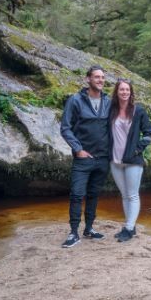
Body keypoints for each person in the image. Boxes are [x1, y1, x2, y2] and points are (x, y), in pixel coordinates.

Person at [60, 65, 112, 248]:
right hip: (83, 159)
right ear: (88, 79)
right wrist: (78, 149)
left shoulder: (108, 101)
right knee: (76, 194)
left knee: (93, 195)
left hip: (103, 158)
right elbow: (65, 128)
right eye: (97, 77)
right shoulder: (75, 100)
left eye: (103, 77)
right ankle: (73, 233)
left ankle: (89, 228)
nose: (100, 80)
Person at [108, 78, 151, 242]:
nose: (124, 92)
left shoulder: (138, 111)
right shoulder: (111, 110)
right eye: (121, 89)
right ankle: (130, 226)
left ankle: (128, 228)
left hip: (133, 161)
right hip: (115, 160)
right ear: (117, 92)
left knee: (133, 195)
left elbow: (148, 133)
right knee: (124, 195)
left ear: (131, 92)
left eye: (127, 89)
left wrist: (137, 149)